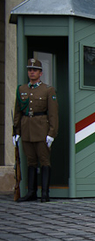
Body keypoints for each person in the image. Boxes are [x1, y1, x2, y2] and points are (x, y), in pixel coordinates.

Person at [13, 58, 59, 203]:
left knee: (44, 161)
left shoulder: (47, 90)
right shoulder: (22, 89)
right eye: (30, 70)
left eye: (34, 70)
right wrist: (16, 131)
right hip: (27, 129)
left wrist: (52, 133)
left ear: (40, 73)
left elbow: (53, 114)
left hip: (41, 129)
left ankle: (45, 193)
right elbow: (18, 112)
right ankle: (32, 192)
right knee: (30, 162)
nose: (31, 72)